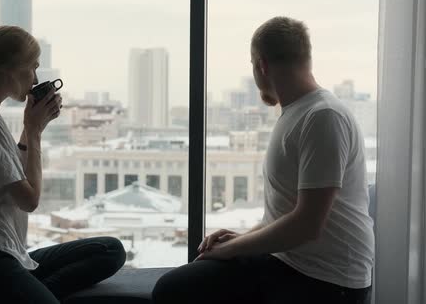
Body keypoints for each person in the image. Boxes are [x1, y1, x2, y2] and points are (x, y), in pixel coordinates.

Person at [152, 17, 374, 304]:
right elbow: (287, 212)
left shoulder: (323, 117)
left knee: (176, 291)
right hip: (293, 263)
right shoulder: (300, 112)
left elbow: (307, 224)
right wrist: (241, 238)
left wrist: (233, 250)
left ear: (261, 66)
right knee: (180, 284)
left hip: (326, 280)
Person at [0, 26, 125, 303]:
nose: (36, 78)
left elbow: (10, 169)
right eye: (33, 67)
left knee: (110, 250)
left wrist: (29, 128)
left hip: (1, 253)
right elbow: (29, 199)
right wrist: (36, 131)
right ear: (11, 69)